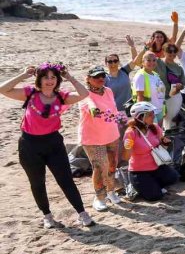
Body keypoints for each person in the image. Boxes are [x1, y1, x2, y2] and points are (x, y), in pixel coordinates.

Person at [0, 63, 94, 228]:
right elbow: (3, 89)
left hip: (53, 144)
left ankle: (82, 213)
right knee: (37, 182)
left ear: (57, 79)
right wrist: (23, 75)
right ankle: (47, 216)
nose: (49, 81)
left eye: (53, 77)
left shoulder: (61, 96)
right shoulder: (30, 93)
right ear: (39, 79)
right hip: (29, 145)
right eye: (45, 77)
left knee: (66, 180)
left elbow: (84, 93)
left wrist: (69, 76)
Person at [79, 66, 126, 212]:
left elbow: (114, 111)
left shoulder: (108, 91)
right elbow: (93, 108)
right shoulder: (84, 94)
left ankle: (111, 191)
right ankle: (99, 197)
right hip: (93, 138)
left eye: (102, 76)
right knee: (100, 167)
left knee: (112, 165)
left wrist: (122, 119)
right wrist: (94, 110)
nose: (100, 79)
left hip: (112, 134)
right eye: (96, 77)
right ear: (88, 79)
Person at [122, 102, 179, 201]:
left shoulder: (155, 127)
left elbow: (161, 147)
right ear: (140, 117)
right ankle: (138, 186)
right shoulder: (131, 132)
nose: (153, 116)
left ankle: (150, 185)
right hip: (139, 172)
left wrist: (165, 143)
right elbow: (126, 158)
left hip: (157, 167)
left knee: (173, 177)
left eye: (153, 114)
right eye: (150, 115)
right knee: (155, 196)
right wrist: (127, 147)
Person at [132, 52, 166, 124]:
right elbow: (140, 97)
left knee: (159, 131)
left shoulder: (155, 74)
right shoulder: (141, 76)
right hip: (149, 113)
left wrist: (164, 109)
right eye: (148, 60)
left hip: (159, 110)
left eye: (154, 60)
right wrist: (141, 116)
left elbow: (160, 93)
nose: (152, 62)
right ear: (143, 62)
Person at [158, 43, 185, 129]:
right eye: (169, 51)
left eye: (175, 51)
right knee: (158, 121)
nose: (172, 53)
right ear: (164, 51)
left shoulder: (179, 68)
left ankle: (169, 136)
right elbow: (142, 62)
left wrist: (179, 86)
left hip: (174, 97)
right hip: (158, 97)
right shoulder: (157, 62)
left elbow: (183, 84)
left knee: (171, 122)